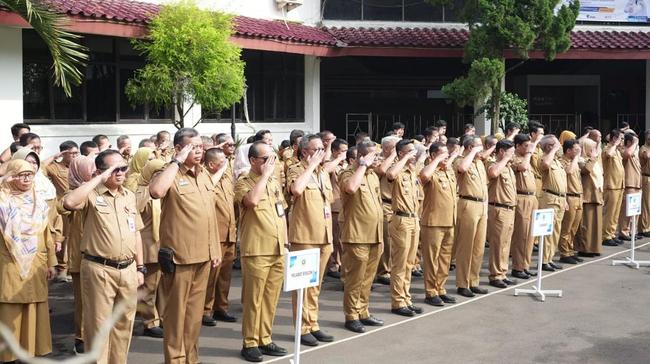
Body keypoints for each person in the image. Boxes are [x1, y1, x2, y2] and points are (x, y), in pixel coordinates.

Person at [62, 149, 145, 364]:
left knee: (123, 325)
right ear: (100, 171)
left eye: (123, 168)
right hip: (99, 269)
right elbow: (69, 203)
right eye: (114, 169)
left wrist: (140, 267)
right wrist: (99, 177)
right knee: (98, 327)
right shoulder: (91, 194)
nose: (120, 173)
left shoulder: (128, 195)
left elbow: (135, 232)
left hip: (128, 269)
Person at [148, 128, 221, 364]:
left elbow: (210, 215)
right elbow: (156, 191)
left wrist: (215, 249)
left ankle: (192, 358)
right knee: (176, 315)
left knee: (193, 316)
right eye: (193, 147)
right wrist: (176, 161)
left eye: (200, 147)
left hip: (204, 255)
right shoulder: (168, 173)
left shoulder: (204, 175)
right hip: (179, 257)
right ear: (178, 148)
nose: (199, 152)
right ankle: (175, 359)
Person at [235, 141, 288, 362]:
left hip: (276, 247)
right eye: (265, 159)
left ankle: (265, 338)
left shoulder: (274, 182)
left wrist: (285, 242)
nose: (270, 163)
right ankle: (250, 342)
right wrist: (265, 175)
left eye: (271, 158)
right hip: (256, 249)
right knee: (253, 299)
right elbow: (252, 201)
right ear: (253, 161)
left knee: (270, 298)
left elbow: (281, 211)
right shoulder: (243, 182)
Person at [0, 159, 57, 363]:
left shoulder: (38, 201)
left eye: (29, 174)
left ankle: (30, 352)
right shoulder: (2, 200)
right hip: (8, 263)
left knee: (33, 307)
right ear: (11, 175)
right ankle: (7, 356)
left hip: (35, 263)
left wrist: (51, 262)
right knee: (10, 309)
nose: (26, 179)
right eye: (20, 174)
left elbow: (46, 235)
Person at [286, 134, 335, 345]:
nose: (321, 153)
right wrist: (310, 166)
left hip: (324, 234)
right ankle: (302, 327)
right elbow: (296, 190)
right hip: (305, 235)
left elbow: (330, 199)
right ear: (305, 151)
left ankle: (313, 323)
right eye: (316, 149)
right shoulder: (296, 169)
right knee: (303, 285)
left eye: (322, 149)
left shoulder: (323, 172)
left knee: (315, 285)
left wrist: (318, 165)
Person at [339, 140, 384, 333]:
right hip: (357, 235)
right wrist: (363, 166)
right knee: (355, 279)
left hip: (374, 234)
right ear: (362, 156)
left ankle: (363, 311)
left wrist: (368, 167)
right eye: (374, 155)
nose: (378, 159)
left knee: (368, 278)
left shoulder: (373, 175)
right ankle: (351, 315)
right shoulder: (348, 173)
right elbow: (350, 188)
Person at [59, 155, 97, 353]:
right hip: (80, 255)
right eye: (90, 169)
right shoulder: (73, 193)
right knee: (83, 300)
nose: (94, 172)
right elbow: (64, 206)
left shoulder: (100, 191)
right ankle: (81, 337)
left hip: (99, 254)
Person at [385, 139, 423, 317]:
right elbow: (390, 174)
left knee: (409, 263)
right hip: (400, 219)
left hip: (413, 219)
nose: (413, 154)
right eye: (409, 151)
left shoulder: (411, 171)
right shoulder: (398, 169)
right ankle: (398, 302)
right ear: (400, 153)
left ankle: (406, 298)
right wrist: (404, 157)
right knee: (399, 264)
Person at [419, 142, 459, 306]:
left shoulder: (448, 171)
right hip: (433, 222)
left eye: (446, 153)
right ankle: (430, 291)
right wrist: (435, 161)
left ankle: (440, 288)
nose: (446, 156)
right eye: (442, 153)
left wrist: (449, 158)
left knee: (445, 259)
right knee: (431, 259)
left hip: (449, 221)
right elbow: (424, 177)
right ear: (433, 155)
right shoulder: (430, 170)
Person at [202, 148, 238, 325]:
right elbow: (207, 192)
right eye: (222, 160)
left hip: (229, 233)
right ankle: (205, 310)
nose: (226, 162)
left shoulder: (226, 178)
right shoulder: (206, 178)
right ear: (211, 164)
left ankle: (221, 307)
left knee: (225, 275)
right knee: (211, 276)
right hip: (215, 235)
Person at [134, 159, 166, 339]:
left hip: (164, 244)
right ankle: (149, 322)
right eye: (157, 173)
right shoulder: (140, 192)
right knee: (148, 287)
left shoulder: (164, 190)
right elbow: (134, 212)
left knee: (162, 287)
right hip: (147, 246)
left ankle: (161, 317)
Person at [454, 136, 488, 297]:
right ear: (469, 147)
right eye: (478, 146)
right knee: (466, 246)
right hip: (468, 204)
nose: (481, 149)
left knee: (478, 247)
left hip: (481, 205)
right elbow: (461, 168)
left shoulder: (480, 163)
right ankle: (462, 283)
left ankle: (474, 280)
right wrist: (472, 151)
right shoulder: (462, 160)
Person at [486, 140, 517, 288]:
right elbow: (493, 173)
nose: (513, 155)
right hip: (498, 208)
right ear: (501, 152)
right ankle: (495, 275)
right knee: (498, 244)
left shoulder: (509, 168)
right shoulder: (493, 163)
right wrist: (505, 159)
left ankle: (502, 273)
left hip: (510, 209)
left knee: (505, 244)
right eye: (510, 152)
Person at [510, 134, 539, 279]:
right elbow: (522, 167)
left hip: (532, 197)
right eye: (525, 146)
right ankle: (517, 266)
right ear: (518, 146)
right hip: (521, 197)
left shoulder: (528, 158)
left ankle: (525, 265)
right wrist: (528, 154)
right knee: (521, 234)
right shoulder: (514, 158)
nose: (529, 149)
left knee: (530, 236)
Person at [538, 135, 567, 271]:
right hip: (550, 198)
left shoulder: (557, 161)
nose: (559, 146)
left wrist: (565, 199)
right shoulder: (545, 158)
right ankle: (544, 260)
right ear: (548, 146)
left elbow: (562, 182)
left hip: (560, 199)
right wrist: (553, 150)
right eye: (555, 144)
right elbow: (545, 165)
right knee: (548, 231)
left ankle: (549, 258)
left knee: (556, 231)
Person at [375, 136, 400, 285]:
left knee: (397, 241)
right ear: (386, 149)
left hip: (398, 205)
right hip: (385, 204)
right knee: (387, 239)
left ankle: (394, 268)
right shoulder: (378, 160)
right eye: (395, 147)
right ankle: (384, 271)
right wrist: (392, 155)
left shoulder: (398, 162)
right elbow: (383, 170)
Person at [575, 138, 604, 257]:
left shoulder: (593, 160)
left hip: (596, 195)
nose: (593, 151)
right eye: (591, 148)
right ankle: (585, 248)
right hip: (588, 195)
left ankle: (594, 247)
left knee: (595, 225)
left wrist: (594, 158)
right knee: (587, 224)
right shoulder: (580, 160)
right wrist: (592, 158)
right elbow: (586, 170)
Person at [558, 139, 584, 265]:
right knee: (567, 227)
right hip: (569, 196)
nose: (578, 152)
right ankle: (564, 252)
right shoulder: (562, 161)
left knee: (574, 227)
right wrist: (576, 158)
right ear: (568, 150)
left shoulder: (575, 161)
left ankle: (570, 250)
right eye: (575, 150)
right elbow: (568, 171)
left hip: (578, 196)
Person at [326, 138, 349, 279]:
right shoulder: (330, 163)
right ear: (335, 151)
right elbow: (326, 169)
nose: (344, 154)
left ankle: (342, 263)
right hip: (335, 205)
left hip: (347, 206)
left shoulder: (347, 164)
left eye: (347, 151)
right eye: (342, 151)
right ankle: (334, 264)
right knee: (335, 237)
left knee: (343, 238)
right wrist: (338, 159)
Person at [601, 129, 625, 246]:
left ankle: (611, 233)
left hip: (619, 185)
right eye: (621, 138)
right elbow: (608, 154)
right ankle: (605, 236)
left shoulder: (617, 151)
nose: (623, 141)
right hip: (611, 185)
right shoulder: (608, 148)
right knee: (609, 212)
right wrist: (615, 144)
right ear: (615, 139)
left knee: (615, 213)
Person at [618, 132, 641, 241]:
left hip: (637, 183)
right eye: (634, 141)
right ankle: (624, 231)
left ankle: (633, 231)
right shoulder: (623, 149)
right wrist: (634, 143)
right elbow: (627, 154)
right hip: (629, 183)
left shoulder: (635, 151)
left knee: (635, 209)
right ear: (628, 142)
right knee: (626, 209)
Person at [639, 130, 650, 236]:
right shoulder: (644, 148)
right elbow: (647, 157)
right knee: (647, 204)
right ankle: (645, 227)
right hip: (646, 177)